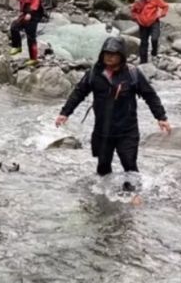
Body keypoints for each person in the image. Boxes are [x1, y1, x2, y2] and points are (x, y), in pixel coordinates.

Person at [55, 36, 171, 190]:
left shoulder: (132, 74)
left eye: (113, 54)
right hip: (102, 131)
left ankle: (133, 197)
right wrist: (65, 113)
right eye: (106, 53)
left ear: (121, 56)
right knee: (102, 167)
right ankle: (103, 200)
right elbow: (78, 93)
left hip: (127, 131)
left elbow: (150, 95)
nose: (109, 56)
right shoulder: (93, 74)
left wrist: (161, 117)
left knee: (130, 166)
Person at [8, 0, 44, 66]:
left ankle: (34, 59)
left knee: (31, 37)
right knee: (14, 27)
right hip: (25, 14)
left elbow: (36, 2)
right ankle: (17, 47)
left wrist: (30, 13)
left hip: (34, 15)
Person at [131, 0, 169, 64]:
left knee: (154, 38)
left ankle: (154, 52)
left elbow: (165, 6)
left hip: (154, 22)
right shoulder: (138, 1)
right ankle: (143, 62)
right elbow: (133, 11)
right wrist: (136, 18)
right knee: (144, 43)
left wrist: (161, 14)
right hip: (142, 24)